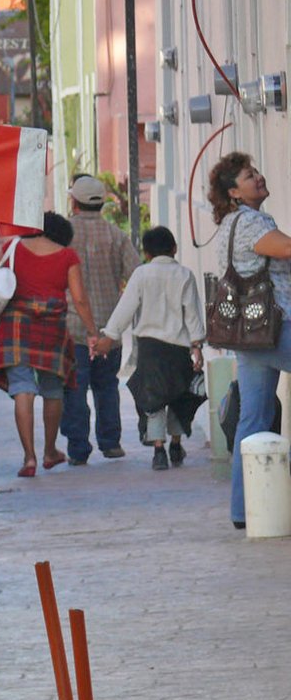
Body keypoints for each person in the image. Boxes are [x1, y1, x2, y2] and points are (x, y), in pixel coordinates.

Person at [0, 211, 98, 478]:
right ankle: (50, 451)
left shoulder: (13, 247)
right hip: (52, 328)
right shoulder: (67, 256)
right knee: (53, 389)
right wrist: (92, 331)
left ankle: (29, 458)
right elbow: (80, 299)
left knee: (22, 388)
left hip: (16, 325)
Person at [205, 152, 291, 528]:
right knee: (253, 419)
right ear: (233, 192)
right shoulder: (252, 221)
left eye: (256, 171)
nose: (258, 177)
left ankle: (246, 512)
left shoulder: (228, 224)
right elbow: (286, 248)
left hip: (248, 334)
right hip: (273, 327)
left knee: (253, 421)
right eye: (248, 175)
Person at [94, 226, 206, 470]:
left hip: (150, 349)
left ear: (146, 253)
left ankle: (158, 451)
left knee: (153, 398)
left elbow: (126, 308)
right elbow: (193, 315)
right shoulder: (185, 275)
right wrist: (196, 346)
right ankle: (176, 445)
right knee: (178, 395)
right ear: (174, 248)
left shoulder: (141, 274)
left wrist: (109, 336)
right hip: (178, 348)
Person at [60, 175, 141, 464]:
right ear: (102, 203)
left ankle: (78, 449)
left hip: (71, 327)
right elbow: (137, 275)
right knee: (107, 387)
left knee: (75, 389)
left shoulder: (63, 235)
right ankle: (111, 442)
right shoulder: (116, 236)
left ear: (74, 201)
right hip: (109, 329)